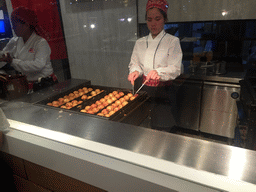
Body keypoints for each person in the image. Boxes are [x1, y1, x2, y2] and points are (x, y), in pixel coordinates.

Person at [128, 0, 182, 132]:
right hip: (143, 89)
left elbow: (176, 68)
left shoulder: (172, 41)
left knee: (162, 128)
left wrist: (158, 72)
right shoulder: (140, 42)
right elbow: (135, 63)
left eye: (157, 19)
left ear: (164, 19)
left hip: (163, 91)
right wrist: (135, 71)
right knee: (142, 124)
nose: (153, 24)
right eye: (149, 19)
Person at [0, 6, 57, 91]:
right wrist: (3, 58)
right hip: (27, 85)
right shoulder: (14, 41)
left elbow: (38, 65)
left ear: (26, 25)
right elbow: (3, 56)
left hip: (46, 84)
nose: (13, 28)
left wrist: (12, 61)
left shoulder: (40, 42)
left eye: (15, 25)